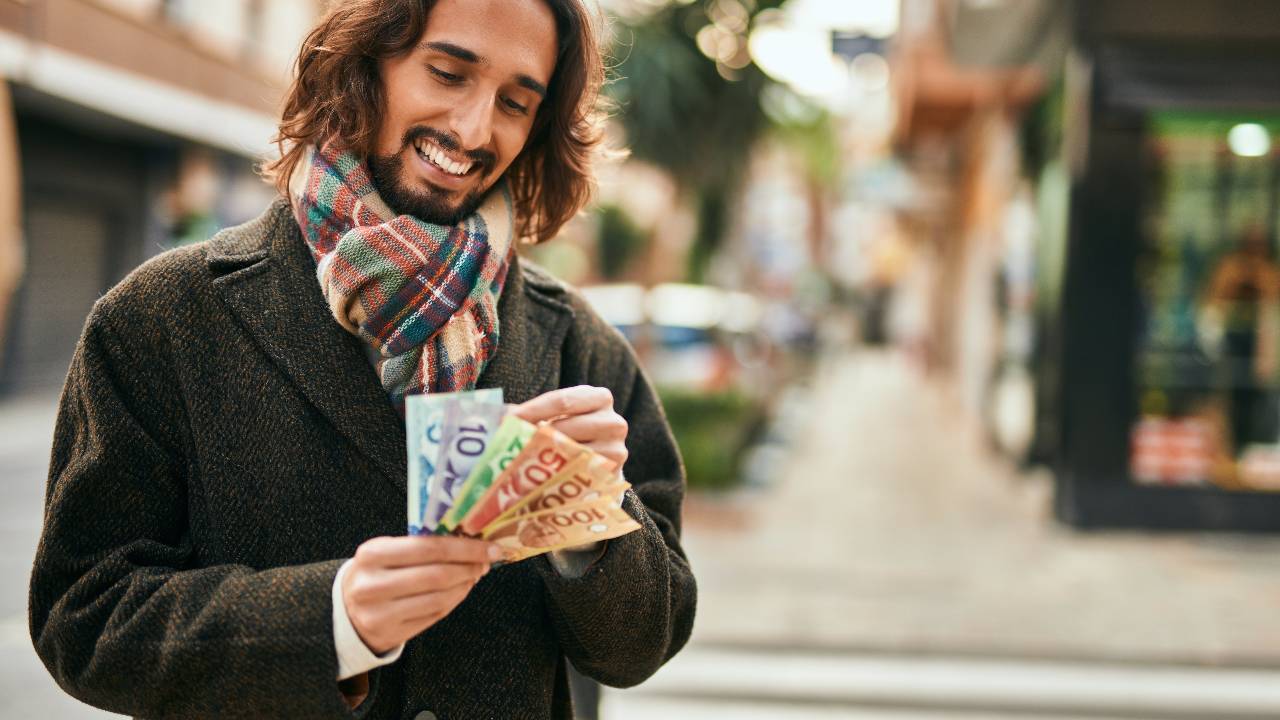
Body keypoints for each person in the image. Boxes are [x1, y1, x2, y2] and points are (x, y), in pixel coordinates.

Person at [28, 1, 696, 718]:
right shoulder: (162, 317)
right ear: (364, 63)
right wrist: (332, 622)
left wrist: (588, 521)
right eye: (447, 74)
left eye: (515, 102)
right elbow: (83, 615)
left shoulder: (578, 343)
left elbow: (644, 644)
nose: (474, 130)